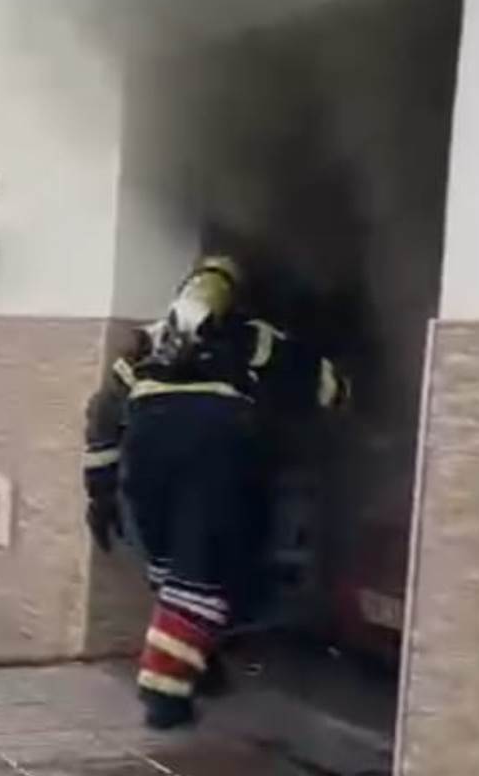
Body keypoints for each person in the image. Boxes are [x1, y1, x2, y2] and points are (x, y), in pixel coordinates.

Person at [82, 254, 349, 730]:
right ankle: (163, 693)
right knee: (202, 576)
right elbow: (323, 383)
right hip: (216, 453)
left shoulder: (146, 341)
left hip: (146, 454)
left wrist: (100, 491)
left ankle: (196, 667)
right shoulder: (254, 336)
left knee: (171, 570)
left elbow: (104, 415)